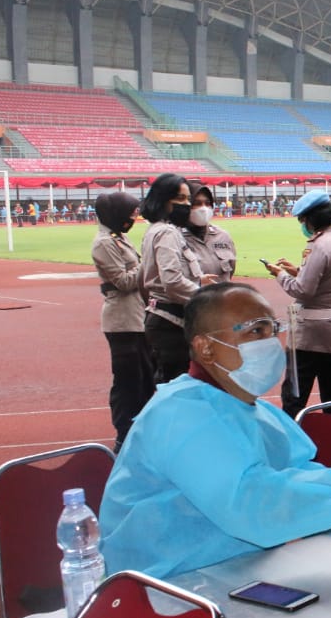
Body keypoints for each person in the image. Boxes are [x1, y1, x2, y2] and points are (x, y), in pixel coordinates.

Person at [100, 283, 331, 580]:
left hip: (234, 572)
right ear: (206, 348)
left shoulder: (259, 414)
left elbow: (302, 489)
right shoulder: (180, 412)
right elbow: (251, 503)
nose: (270, 343)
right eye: (254, 331)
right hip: (162, 587)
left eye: (272, 329)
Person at [266, 190, 331, 418]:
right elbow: (330, 277)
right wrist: (298, 271)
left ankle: (294, 445)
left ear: (312, 219)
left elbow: (302, 290)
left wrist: (280, 275)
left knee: (295, 397)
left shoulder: (317, 245)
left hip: (310, 336)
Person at [91, 192, 155, 451]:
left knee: (146, 379)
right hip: (121, 321)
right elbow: (125, 281)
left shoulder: (118, 238)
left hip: (137, 317)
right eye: (130, 213)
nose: (133, 217)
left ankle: (142, 430)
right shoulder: (104, 243)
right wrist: (148, 260)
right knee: (128, 381)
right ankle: (124, 433)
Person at [140, 173, 219, 383]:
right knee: (175, 387)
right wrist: (205, 294)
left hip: (164, 318)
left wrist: (199, 281)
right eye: (181, 199)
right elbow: (172, 281)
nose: (186, 205)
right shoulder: (167, 232)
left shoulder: (157, 230)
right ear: (164, 201)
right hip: (170, 322)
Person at [182, 185, 237, 283]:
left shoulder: (222, 236)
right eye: (197, 203)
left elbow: (231, 270)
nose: (204, 208)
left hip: (221, 296)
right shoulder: (175, 237)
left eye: (207, 203)